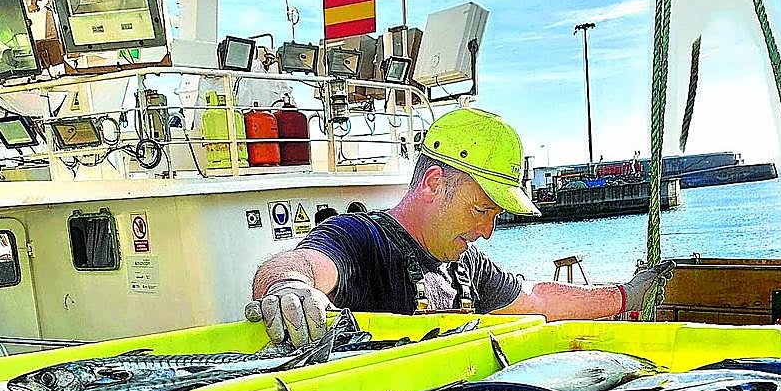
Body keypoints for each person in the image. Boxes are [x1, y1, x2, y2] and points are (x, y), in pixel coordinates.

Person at [249, 108, 675, 345]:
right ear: (435, 183)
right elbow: (301, 263)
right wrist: (289, 287)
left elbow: (538, 299)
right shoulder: (361, 239)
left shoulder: (465, 265)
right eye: (480, 210)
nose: (488, 231)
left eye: (495, 216)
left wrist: (623, 295)